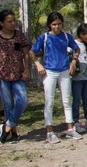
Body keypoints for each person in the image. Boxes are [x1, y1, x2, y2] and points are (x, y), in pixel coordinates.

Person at [31, 11, 81, 143]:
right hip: (49, 71)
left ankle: (70, 128)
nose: (56, 27)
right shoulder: (44, 37)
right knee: (49, 102)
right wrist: (38, 64)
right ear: (49, 25)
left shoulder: (66, 36)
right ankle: (49, 131)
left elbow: (77, 49)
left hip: (64, 71)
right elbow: (32, 51)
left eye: (59, 24)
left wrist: (73, 61)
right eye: (54, 24)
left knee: (67, 101)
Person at [0, 10, 30, 144]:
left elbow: (26, 54)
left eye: (14, 20)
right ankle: (13, 132)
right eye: (9, 21)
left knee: (22, 101)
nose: (13, 23)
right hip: (2, 76)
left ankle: (7, 125)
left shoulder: (19, 36)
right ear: (1, 23)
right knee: (8, 105)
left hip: (18, 75)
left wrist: (27, 69)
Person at [72, 23, 87, 134]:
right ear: (82, 34)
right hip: (77, 78)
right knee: (77, 100)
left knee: (86, 99)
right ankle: (76, 121)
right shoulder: (74, 44)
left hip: (86, 77)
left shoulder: (86, 45)